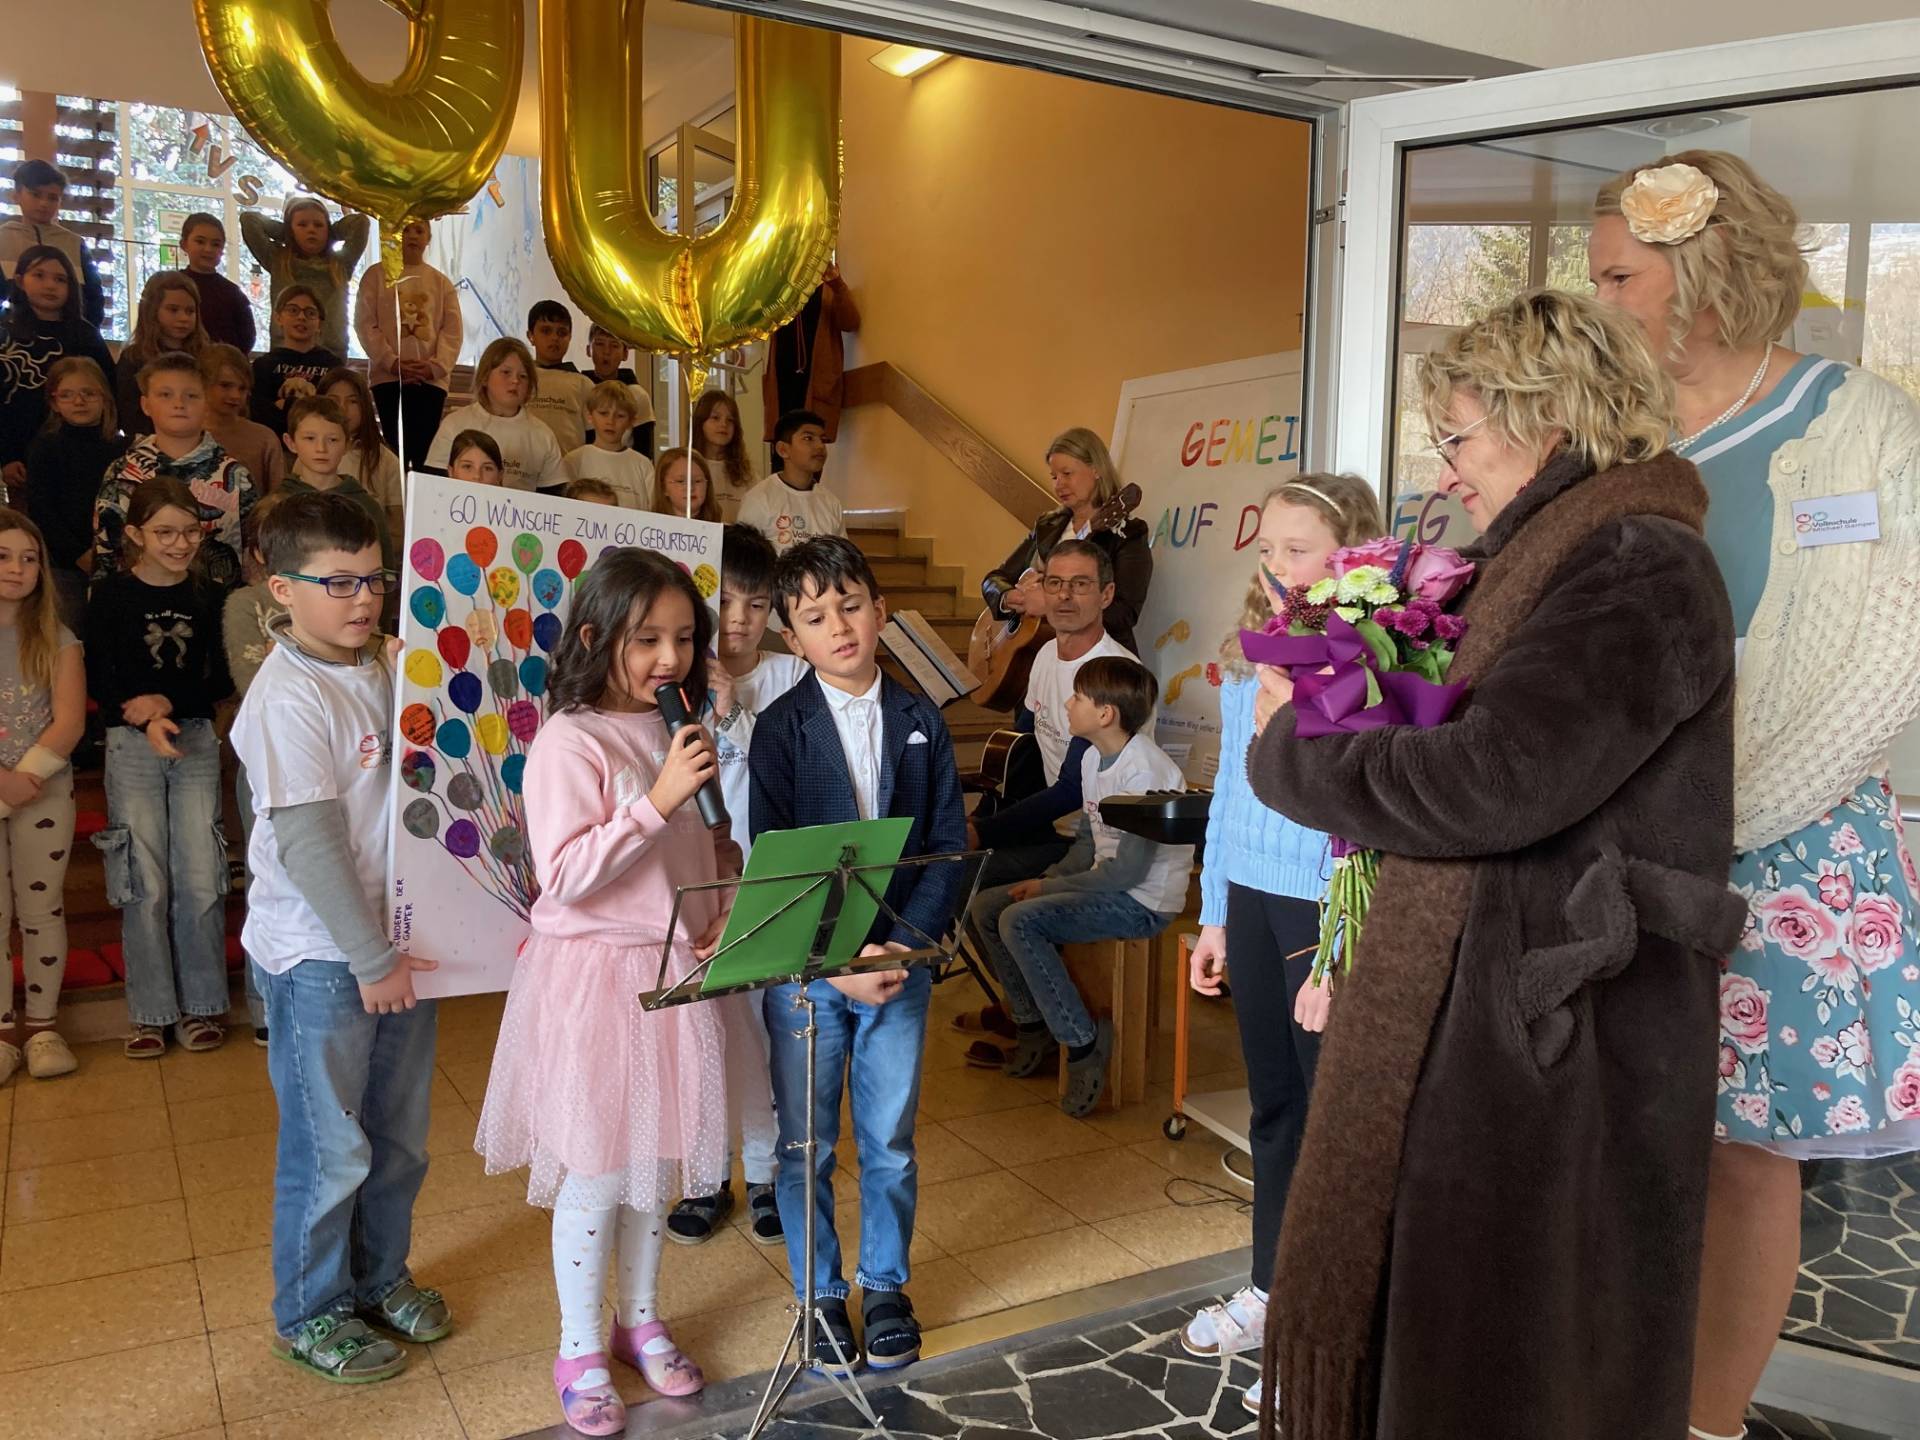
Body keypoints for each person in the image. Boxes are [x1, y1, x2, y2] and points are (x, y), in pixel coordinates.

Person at [1247, 289, 1746, 1440]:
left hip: (1559, 1035)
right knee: (1477, 1346)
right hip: (1513, 1015)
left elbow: (1492, 781)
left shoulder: (1637, 563)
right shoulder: (1558, 552)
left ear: (1550, 417)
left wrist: (1296, 750)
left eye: (1461, 434)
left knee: (1518, 1358)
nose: (1448, 465)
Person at [1587, 150, 1920, 1440]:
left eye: (1622, 273)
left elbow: (1884, 659)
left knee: (1741, 1162)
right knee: (1618, 1147)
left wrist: (1717, 818)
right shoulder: (1619, 441)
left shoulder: (1863, 423)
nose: (1604, 299)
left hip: (1785, 853)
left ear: (1704, 271)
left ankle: (1704, 1425)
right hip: (1622, 848)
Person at [474, 549, 727, 1433]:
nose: (670, 658)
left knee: (654, 1168)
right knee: (597, 1170)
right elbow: (568, 875)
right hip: (593, 981)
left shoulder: (678, 728)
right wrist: (655, 801)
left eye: (685, 639)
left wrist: (715, 905)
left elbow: (694, 855)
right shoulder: (569, 740)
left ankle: (640, 1319)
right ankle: (579, 1345)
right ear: (594, 637)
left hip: (669, 972)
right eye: (647, 638)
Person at [232, 491, 450, 1383]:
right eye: (339, 583)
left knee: (398, 1137)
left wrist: (415, 674)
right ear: (281, 589)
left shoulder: (379, 668)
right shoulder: (285, 695)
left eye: (374, 579)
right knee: (331, 1148)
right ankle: (308, 1312)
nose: (363, 599)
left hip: (394, 942)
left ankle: (377, 1277)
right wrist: (368, 958)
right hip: (323, 954)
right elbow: (311, 841)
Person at [1178, 472, 1382, 1418]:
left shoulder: (1373, 663)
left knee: (1336, 1123)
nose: (1275, 567)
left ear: (1353, 557)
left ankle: (1329, 1324)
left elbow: (1365, 825)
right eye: (1267, 549)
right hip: (1254, 905)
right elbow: (1227, 796)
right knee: (1274, 1110)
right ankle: (1269, 1289)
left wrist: (1340, 949)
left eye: (1296, 549)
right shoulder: (1244, 657)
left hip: (1321, 912)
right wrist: (1214, 914)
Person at [750, 535, 966, 1375]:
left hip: (899, 969)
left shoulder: (922, 720)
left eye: (849, 604)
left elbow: (946, 845)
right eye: (813, 615)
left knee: (890, 1139)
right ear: (791, 637)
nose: (837, 625)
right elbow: (775, 860)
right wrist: (835, 958)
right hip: (808, 976)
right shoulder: (780, 729)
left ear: (881, 609)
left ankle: (883, 1287)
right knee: (805, 1145)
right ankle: (817, 1294)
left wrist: (903, 947)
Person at [968, 655, 1192, 1116]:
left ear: (1105, 714)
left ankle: (1082, 1041)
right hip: (1110, 886)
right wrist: (1048, 878)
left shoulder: (1144, 773)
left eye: (1078, 697)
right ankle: (1032, 1023)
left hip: (1141, 902)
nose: (1067, 704)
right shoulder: (1093, 758)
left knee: (1020, 920)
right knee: (988, 905)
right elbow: (1090, 842)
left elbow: (1127, 873)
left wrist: (1046, 890)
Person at [666, 522, 805, 1249]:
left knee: (760, 1035)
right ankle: (702, 1176)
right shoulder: (668, 671)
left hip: (765, 881)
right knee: (700, 1033)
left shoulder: (788, 676)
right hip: (695, 882)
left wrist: (735, 712)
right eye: (726, 600)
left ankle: (766, 1173)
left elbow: (793, 767)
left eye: (757, 604)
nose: (740, 619)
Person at [957, 539, 1139, 1054]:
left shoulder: (1110, 675)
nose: (1064, 596)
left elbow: (1071, 789)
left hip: (1096, 842)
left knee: (981, 889)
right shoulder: (1043, 658)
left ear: (1105, 595)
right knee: (956, 876)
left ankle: (1034, 1022)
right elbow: (1029, 750)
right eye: (1054, 583)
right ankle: (1025, 1010)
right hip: (1059, 828)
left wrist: (985, 829)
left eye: (1080, 584)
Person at [85, 477, 236, 1060]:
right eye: (164, 532)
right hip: (131, 747)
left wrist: (167, 704)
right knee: (143, 883)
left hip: (194, 739)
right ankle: (150, 1012)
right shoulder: (113, 597)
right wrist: (141, 713)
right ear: (134, 535)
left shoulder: (211, 597)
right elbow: (103, 675)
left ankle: (201, 1006)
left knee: (200, 877)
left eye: (189, 531)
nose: (178, 544)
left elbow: (218, 678)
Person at [0, 507, 86, 1085]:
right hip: (10, 789)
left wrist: (20, 782)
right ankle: (3, 1031)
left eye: (29, 559)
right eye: (4, 556)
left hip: (43, 790)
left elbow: (69, 722)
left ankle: (43, 1025)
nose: (18, 568)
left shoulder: (56, 637)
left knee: (40, 908)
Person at [981, 427, 1150, 657]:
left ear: (1097, 469)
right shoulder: (1047, 525)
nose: (1059, 484)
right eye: (1054, 477)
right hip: (1039, 656)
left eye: (1067, 473)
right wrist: (1011, 597)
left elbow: (1124, 613)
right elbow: (994, 579)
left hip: (1100, 664)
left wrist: (1053, 607)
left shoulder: (1128, 533)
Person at [94, 352, 256, 590]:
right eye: (165, 395)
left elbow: (253, 556)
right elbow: (104, 551)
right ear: (146, 405)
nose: (179, 404)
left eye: (191, 395)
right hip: (135, 608)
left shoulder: (235, 476)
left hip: (214, 610)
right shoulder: (122, 472)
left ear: (206, 403)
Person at [224, 492, 290, 1047]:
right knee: (267, 879)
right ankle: (263, 1005)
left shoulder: (325, 598)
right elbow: (255, 689)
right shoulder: (247, 604)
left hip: (327, 759)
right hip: (267, 759)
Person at [0, 245, 113, 493]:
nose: (50, 285)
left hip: (84, 454)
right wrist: (5, 457)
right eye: (39, 275)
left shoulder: (85, 336)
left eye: (60, 279)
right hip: (21, 458)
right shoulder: (4, 333)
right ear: (19, 280)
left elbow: (109, 390)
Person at [352, 218, 460, 475]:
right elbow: (366, 322)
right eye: (405, 230)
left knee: (426, 455)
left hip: (429, 382)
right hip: (388, 380)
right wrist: (391, 362)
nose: (412, 235)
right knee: (393, 452)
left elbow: (452, 329)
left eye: (419, 230)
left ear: (428, 238)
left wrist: (435, 366)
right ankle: (396, 509)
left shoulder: (440, 282)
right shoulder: (376, 276)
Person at [25, 356, 124, 631]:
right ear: (54, 402)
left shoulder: (120, 449)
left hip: (117, 560)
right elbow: (42, 509)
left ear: (104, 397)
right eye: (67, 395)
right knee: (68, 632)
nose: (78, 402)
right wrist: (78, 554)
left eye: (88, 393)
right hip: (65, 564)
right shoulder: (45, 447)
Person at [424, 338, 565, 493]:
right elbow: (433, 484)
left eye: (523, 376)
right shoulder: (454, 424)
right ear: (484, 377)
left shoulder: (543, 435)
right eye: (506, 372)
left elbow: (553, 496)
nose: (515, 381)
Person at [279, 396, 395, 574]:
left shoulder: (365, 506)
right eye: (310, 438)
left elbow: (384, 570)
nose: (321, 449)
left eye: (332, 440)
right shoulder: (278, 503)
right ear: (291, 443)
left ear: (347, 444)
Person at [242, 197, 369, 358]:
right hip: (285, 353)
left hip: (331, 354)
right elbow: (249, 220)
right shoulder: (278, 260)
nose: (311, 230)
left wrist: (331, 233)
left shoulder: (340, 264)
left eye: (318, 225)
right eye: (302, 225)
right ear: (290, 230)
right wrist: (286, 233)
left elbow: (361, 223)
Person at [761, 261, 860, 445]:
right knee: (782, 450)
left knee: (811, 450)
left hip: (815, 389)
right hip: (782, 386)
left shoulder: (828, 289)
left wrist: (837, 284)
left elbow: (851, 322)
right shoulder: (780, 292)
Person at [0, 160, 105, 329]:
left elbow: (93, 299)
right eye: (36, 194)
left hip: (68, 337)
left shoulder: (74, 243)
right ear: (17, 195)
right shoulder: (3, 238)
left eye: (52, 198)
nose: (44, 203)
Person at [736, 410, 844, 555]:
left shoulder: (831, 503)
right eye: (808, 438)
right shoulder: (759, 499)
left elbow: (841, 559)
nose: (820, 446)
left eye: (823, 440)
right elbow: (743, 561)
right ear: (783, 450)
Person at [116, 271, 209, 436]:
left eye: (190, 311)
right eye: (173, 310)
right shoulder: (134, 358)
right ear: (152, 311)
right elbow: (128, 411)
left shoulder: (206, 356)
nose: (183, 318)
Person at [320, 368, 403, 539]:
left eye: (352, 402)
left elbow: (398, 529)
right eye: (333, 400)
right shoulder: (308, 455)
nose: (342, 409)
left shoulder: (385, 459)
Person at [250, 286, 344, 436]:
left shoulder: (332, 365)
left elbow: (334, 410)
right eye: (293, 310)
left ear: (319, 323)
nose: (301, 317)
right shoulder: (264, 365)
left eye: (310, 313)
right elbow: (260, 413)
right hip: (277, 442)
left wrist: (284, 405)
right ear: (278, 317)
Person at [200, 345, 286, 494]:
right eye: (225, 385)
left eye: (242, 388)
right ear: (202, 384)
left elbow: (277, 499)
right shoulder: (182, 436)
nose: (235, 395)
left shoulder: (264, 439)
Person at [563, 381, 654, 510]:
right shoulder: (574, 460)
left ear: (631, 422)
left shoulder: (643, 465)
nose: (610, 422)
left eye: (620, 416)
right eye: (603, 413)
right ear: (590, 416)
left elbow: (653, 510)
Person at [523, 299, 594, 463]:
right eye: (546, 331)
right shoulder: (520, 378)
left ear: (570, 337)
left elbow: (592, 436)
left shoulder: (583, 384)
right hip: (524, 471)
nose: (554, 338)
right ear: (530, 336)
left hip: (569, 472)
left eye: (562, 333)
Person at [178, 212, 255, 352]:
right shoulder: (170, 286)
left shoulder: (232, 293)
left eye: (216, 244)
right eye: (200, 241)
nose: (208, 249)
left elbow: (247, 338)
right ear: (184, 244)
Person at [584, 324, 655, 455]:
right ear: (589, 350)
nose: (606, 352)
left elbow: (644, 448)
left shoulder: (637, 395)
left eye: (614, 345)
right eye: (599, 344)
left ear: (625, 353)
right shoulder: (581, 389)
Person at [691, 390, 756, 519]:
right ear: (700, 423)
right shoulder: (686, 466)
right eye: (715, 418)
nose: (723, 424)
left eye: (730, 420)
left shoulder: (748, 473)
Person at [650, 447, 720, 524]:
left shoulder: (724, 531)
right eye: (680, 481)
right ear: (663, 487)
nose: (690, 488)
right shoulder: (649, 529)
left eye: (697, 481)